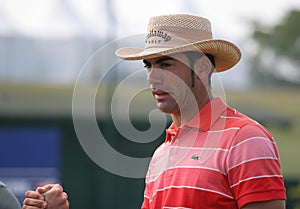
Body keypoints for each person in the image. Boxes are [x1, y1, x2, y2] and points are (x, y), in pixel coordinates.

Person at [22, 14, 286, 209]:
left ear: (203, 68)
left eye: (166, 63)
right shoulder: (162, 153)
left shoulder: (246, 138)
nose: (152, 77)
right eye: (149, 65)